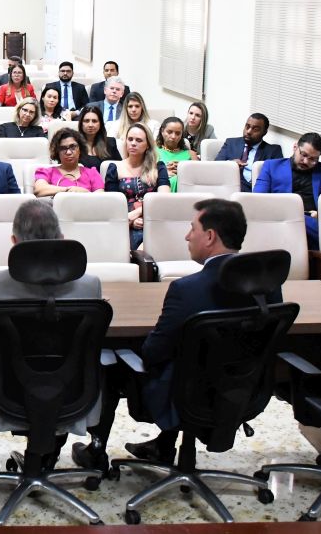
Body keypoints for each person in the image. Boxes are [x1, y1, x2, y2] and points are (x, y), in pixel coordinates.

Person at [73, 199, 282, 469]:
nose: (187, 235)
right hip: (242, 392)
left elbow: (152, 353)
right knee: (188, 358)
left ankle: (96, 452)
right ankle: (164, 445)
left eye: (192, 228)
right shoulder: (269, 287)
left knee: (110, 361)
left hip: (183, 395)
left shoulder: (187, 290)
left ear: (210, 236)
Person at [0, 200, 103, 472]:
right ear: (62, 239)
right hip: (71, 390)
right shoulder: (90, 285)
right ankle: (47, 458)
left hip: (6, 390)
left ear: (14, 242)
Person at [253, 132, 321, 250]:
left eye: (313, 159)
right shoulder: (271, 166)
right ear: (295, 147)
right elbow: (256, 200)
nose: (306, 161)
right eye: (303, 155)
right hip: (281, 219)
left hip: (315, 220)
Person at [104, 123, 171, 250]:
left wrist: (138, 213)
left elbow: (164, 199)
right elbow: (111, 205)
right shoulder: (114, 168)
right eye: (130, 139)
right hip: (122, 222)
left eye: (139, 140)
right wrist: (130, 221)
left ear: (147, 145)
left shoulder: (158, 167)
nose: (133, 143)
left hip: (153, 219)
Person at [214, 113, 284, 191]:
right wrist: (231, 164)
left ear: (264, 132)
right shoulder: (231, 143)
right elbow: (215, 166)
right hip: (231, 189)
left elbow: (278, 179)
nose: (249, 131)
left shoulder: (273, 151)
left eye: (255, 129)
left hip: (257, 192)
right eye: (247, 126)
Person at [33, 129, 105, 196]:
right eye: (63, 148)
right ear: (57, 152)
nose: (68, 152)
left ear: (80, 149)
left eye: (73, 147)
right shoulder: (47, 172)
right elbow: (39, 190)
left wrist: (84, 192)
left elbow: (100, 198)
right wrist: (68, 190)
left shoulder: (92, 173)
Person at [155, 116, 198, 192]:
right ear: (162, 131)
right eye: (169, 132)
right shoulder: (153, 151)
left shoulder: (191, 154)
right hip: (159, 190)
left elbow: (199, 179)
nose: (173, 136)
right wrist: (163, 172)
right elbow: (143, 175)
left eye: (178, 133)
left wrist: (183, 170)